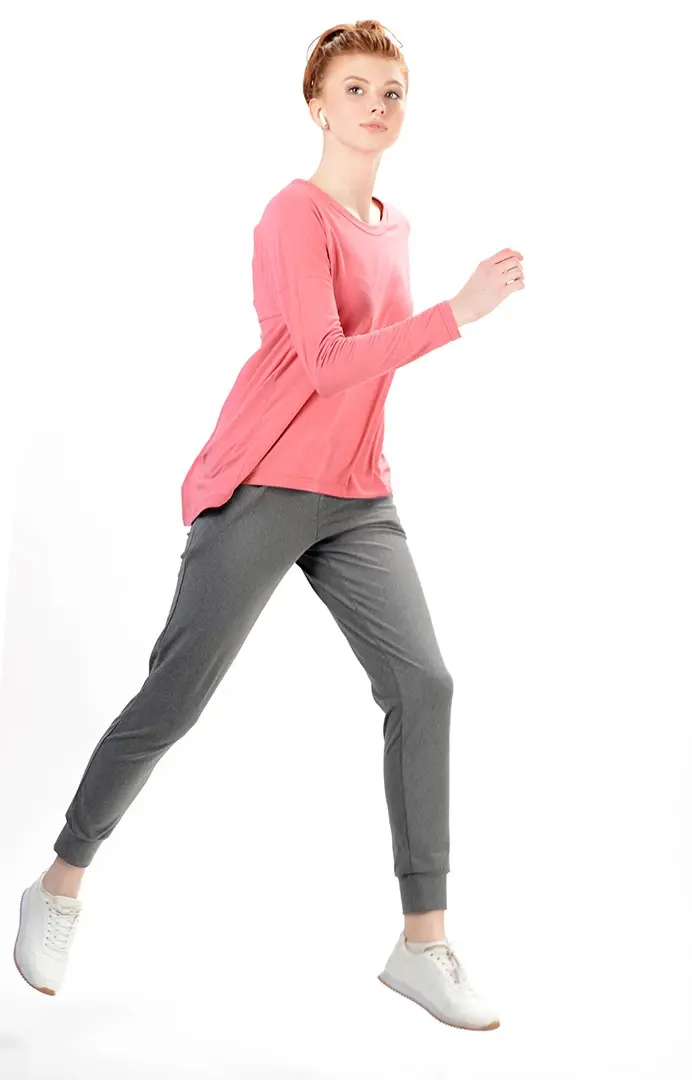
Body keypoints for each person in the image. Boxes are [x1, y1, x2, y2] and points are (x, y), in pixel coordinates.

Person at [13, 20, 523, 1030]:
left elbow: (367, 368)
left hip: (359, 496)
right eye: (356, 89)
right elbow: (328, 363)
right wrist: (457, 314)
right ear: (317, 106)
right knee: (176, 698)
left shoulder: (394, 225)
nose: (377, 105)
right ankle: (60, 881)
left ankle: (423, 940)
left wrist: (441, 320)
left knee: (424, 684)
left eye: (392, 91)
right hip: (263, 482)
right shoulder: (293, 215)